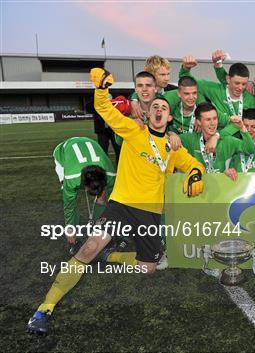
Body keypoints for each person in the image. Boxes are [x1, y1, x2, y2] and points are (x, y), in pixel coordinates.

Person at [27, 68, 205, 336]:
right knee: (87, 250)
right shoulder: (134, 131)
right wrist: (100, 89)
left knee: (149, 268)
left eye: (163, 108)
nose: (158, 109)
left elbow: (194, 164)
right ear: (149, 112)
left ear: (169, 117)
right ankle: (44, 309)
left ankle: (112, 255)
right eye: (154, 106)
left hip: (150, 214)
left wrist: (195, 173)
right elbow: (104, 110)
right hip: (120, 205)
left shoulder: (173, 147)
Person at [53, 137, 116, 246]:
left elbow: (115, 202)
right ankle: (74, 238)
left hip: (91, 149)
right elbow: (69, 205)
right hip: (62, 152)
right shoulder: (72, 178)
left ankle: (99, 228)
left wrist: (112, 225)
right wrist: (69, 228)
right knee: (72, 198)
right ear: (85, 187)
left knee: (103, 196)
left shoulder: (110, 175)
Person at [179, 54, 255, 137]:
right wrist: (186, 68)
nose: (240, 88)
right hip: (216, 141)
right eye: (237, 83)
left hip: (239, 142)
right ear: (228, 79)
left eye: (244, 84)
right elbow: (187, 82)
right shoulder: (216, 89)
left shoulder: (250, 99)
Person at [179, 102, 255, 180]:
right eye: (208, 119)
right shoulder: (190, 139)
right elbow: (169, 141)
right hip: (198, 188)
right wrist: (172, 135)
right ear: (198, 122)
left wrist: (242, 127)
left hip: (221, 188)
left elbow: (250, 149)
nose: (212, 123)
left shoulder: (227, 141)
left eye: (215, 118)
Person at [130, 55, 177, 121]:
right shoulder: (136, 96)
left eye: (168, 74)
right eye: (162, 75)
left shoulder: (174, 90)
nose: (167, 78)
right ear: (151, 75)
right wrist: (134, 101)